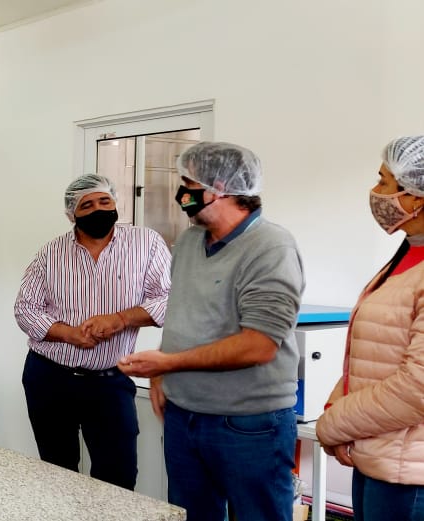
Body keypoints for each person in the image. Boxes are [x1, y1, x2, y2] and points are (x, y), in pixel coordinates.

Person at [119, 142, 304, 521]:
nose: (181, 194)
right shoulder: (189, 242)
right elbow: (181, 313)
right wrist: (162, 371)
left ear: (219, 188)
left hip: (248, 424)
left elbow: (258, 346)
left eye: (188, 184)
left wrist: (168, 363)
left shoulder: (271, 247)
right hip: (184, 415)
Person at [14, 174, 171, 490]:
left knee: (118, 478)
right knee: (58, 474)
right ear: (72, 214)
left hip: (110, 381)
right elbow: (25, 309)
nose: (98, 209)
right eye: (87, 205)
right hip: (50, 378)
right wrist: (69, 334)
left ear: (115, 203)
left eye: (104, 201)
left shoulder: (146, 243)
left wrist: (121, 319)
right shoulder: (50, 254)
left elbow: (169, 300)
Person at [317, 136, 424, 521]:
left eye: (384, 181)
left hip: (408, 476)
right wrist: (336, 406)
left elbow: (417, 386)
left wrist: (334, 424)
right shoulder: (408, 255)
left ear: (416, 197)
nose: (376, 192)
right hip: (379, 457)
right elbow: (370, 355)